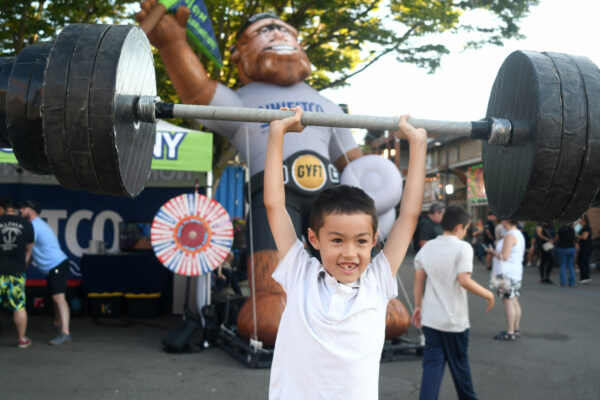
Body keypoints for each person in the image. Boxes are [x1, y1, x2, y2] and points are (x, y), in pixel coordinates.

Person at [135, 4, 410, 346]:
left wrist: (382, 199)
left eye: (285, 31)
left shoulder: (327, 106)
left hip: (330, 198)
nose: (278, 34)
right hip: (273, 196)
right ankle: (270, 299)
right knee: (270, 310)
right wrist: (174, 44)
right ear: (238, 54)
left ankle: (364, 303)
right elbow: (196, 93)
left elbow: (356, 167)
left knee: (344, 252)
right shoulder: (242, 100)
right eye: (263, 31)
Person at [264, 107, 426, 399]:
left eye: (361, 242)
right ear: (314, 239)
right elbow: (275, 205)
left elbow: (410, 215)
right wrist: (278, 134)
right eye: (337, 240)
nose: (349, 253)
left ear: (374, 240)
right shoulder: (300, 273)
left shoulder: (376, 280)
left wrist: (417, 143)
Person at [411, 205, 494, 400]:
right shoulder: (462, 247)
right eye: (465, 229)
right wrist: (488, 295)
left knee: (432, 370)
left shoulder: (429, 247)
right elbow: (464, 280)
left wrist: (418, 306)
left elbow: (418, 278)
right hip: (454, 322)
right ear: (459, 227)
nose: (465, 233)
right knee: (460, 369)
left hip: (431, 320)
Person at [20, 200, 72, 345]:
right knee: (55, 297)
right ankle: (57, 322)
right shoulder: (35, 225)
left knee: (59, 298)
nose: (21, 210)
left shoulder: (34, 226)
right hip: (53, 267)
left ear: (31, 211)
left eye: (23, 208)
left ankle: (65, 332)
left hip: (57, 264)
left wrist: (19, 270)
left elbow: (28, 253)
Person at [0, 197, 34, 348]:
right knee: (19, 306)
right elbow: (29, 248)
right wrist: (24, 260)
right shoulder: (26, 224)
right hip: (16, 272)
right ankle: (22, 339)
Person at [487, 220, 525, 341]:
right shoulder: (518, 234)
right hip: (514, 272)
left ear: (506, 221)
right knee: (514, 301)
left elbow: (504, 256)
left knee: (507, 302)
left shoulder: (509, 236)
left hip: (505, 273)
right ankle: (515, 329)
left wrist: (492, 252)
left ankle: (510, 332)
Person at [555, 223, 577, 287]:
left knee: (563, 265)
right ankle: (572, 283)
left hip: (563, 248)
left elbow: (556, 238)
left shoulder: (560, 229)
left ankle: (563, 282)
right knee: (571, 266)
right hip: (571, 248)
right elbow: (574, 238)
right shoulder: (572, 229)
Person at [575, 215, 592, 284]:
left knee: (581, 261)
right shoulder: (582, 227)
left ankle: (585, 277)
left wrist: (576, 235)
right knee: (584, 262)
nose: (579, 221)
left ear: (583, 220)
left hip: (586, 247)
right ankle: (586, 277)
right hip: (584, 247)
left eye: (580, 220)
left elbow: (585, 237)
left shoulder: (586, 227)